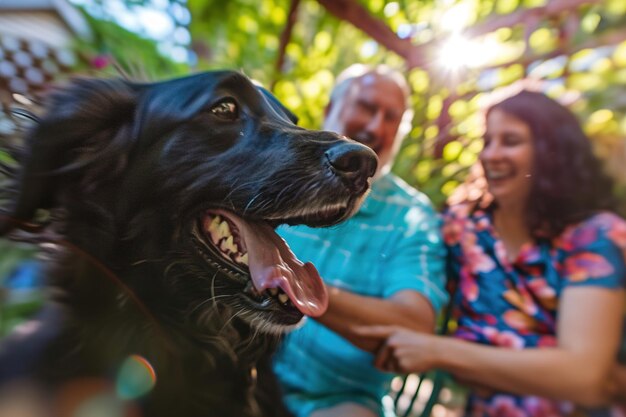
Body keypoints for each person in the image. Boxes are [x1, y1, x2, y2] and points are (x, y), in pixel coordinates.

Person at [357, 90, 626, 417]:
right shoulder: (464, 230)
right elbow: (404, 261)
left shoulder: (593, 236)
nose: (492, 155)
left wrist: (440, 351)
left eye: (510, 141)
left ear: (551, 153)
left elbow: (583, 376)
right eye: (487, 141)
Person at [272, 64, 448, 417]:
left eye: (391, 119)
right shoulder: (277, 172)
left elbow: (412, 328)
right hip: (235, 366)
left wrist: (292, 283)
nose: (375, 127)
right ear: (328, 109)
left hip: (336, 400)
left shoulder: (412, 217)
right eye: (366, 107)